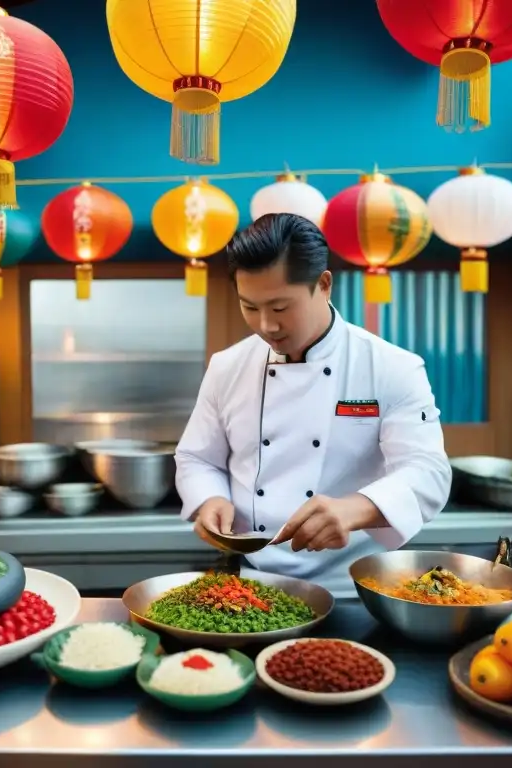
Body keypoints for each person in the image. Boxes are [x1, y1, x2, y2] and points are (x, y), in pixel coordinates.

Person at [174, 212, 452, 593]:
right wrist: (210, 498)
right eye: (250, 307)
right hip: (252, 585)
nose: (266, 326)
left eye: (280, 307)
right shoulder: (228, 367)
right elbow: (197, 458)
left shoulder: (391, 367)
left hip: (355, 585)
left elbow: (429, 472)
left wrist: (355, 508)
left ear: (323, 285)